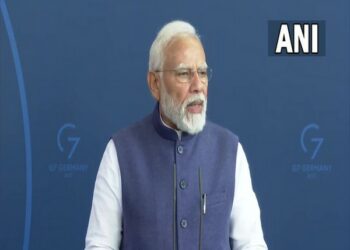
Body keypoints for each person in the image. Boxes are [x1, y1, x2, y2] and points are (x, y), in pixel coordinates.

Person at [85, 20, 268, 250]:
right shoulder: (120, 152)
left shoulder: (230, 150)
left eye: (202, 73)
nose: (197, 85)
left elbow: (251, 244)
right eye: (184, 73)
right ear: (155, 84)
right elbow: (100, 244)